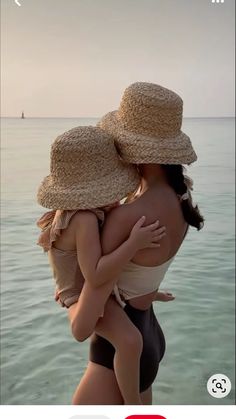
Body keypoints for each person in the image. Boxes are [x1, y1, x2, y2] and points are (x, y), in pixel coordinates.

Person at [70, 82, 204, 405]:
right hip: (148, 336)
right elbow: (142, 273)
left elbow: (82, 326)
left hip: (115, 352)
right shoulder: (182, 196)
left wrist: (69, 297)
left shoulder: (130, 217)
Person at [36, 125, 166, 405]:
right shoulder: (83, 220)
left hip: (94, 291)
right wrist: (135, 242)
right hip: (79, 296)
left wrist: (148, 290)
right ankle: (134, 407)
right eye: (113, 189)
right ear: (92, 193)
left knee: (130, 341)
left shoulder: (88, 212)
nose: (119, 196)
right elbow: (95, 275)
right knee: (130, 342)